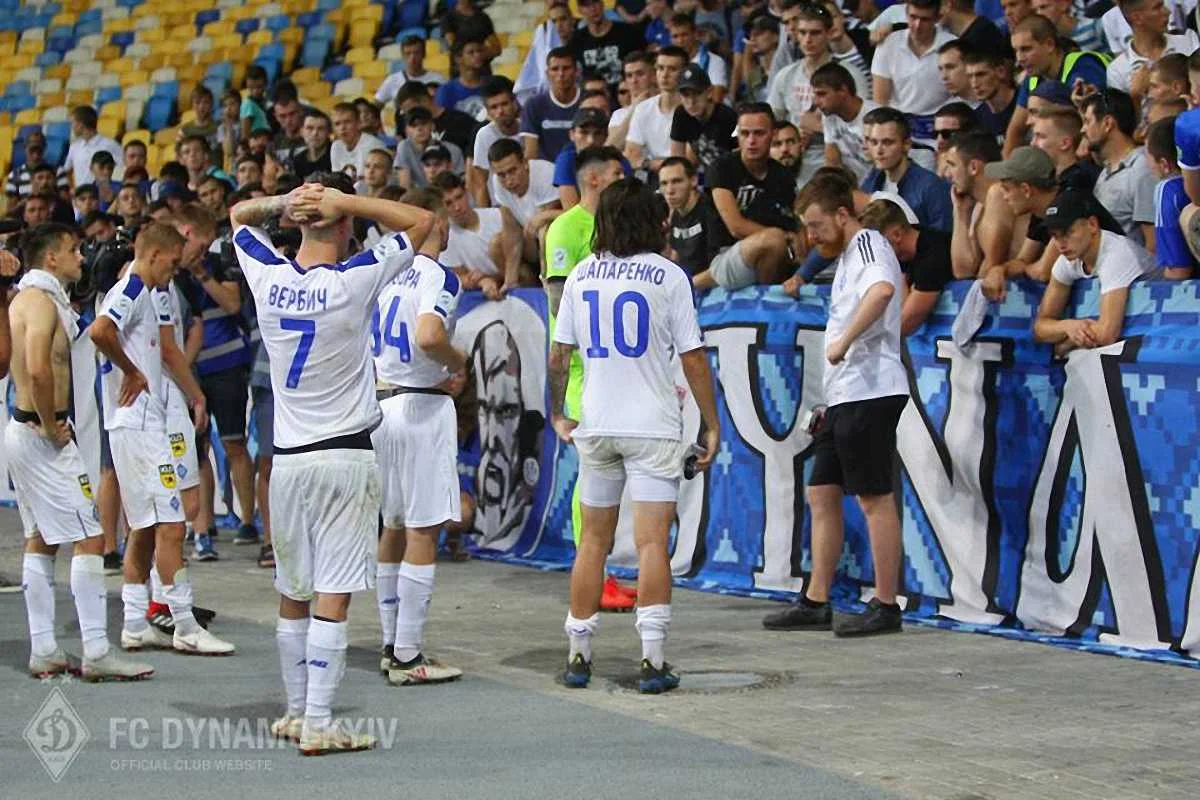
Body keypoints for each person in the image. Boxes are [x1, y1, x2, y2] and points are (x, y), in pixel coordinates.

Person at [229, 175, 434, 754]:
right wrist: (346, 201)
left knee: (293, 589)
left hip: (287, 460)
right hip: (343, 456)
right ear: (344, 224)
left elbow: (239, 216)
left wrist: (283, 203)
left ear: (298, 222)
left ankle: (297, 711)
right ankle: (320, 721)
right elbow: (423, 222)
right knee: (333, 592)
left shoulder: (268, 276)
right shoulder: (353, 279)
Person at [549, 177, 720, 692]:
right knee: (651, 544)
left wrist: (558, 412)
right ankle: (652, 660)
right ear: (654, 220)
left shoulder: (581, 274)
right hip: (652, 426)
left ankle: (578, 655)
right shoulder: (669, 276)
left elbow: (560, 354)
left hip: (597, 422)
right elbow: (693, 357)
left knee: (592, 543)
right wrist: (711, 422)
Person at [762, 176, 908, 637]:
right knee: (821, 492)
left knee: (874, 497)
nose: (811, 237)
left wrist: (844, 341)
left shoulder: (867, 245)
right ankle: (816, 599)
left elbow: (882, 291)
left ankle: (886, 604)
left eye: (816, 225)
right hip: (845, 393)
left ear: (843, 215)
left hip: (871, 389)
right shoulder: (846, 255)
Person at [7, 224, 154, 681]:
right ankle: (96, 650)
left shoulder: (28, 298)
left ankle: (44, 650)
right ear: (51, 258)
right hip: (40, 433)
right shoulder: (39, 301)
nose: (81, 257)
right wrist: (52, 425)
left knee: (42, 538)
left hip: (23, 429)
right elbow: (37, 368)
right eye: (73, 250)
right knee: (90, 536)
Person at [89, 223, 236, 657]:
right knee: (171, 526)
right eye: (172, 263)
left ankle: (135, 623)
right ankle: (186, 626)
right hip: (140, 425)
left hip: (135, 424)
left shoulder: (144, 291)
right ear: (154, 255)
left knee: (146, 528)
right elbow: (100, 331)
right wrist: (132, 371)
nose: (174, 271)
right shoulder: (133, 289)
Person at [371, 186, 467, 686]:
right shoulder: (438, 275)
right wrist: (457, 362)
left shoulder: (384, 273)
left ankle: (392, 642)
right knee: (423, 529)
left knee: (392, 526)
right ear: (437, 222)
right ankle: (408, 655)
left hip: (380, 404)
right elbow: (430, 336)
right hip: (421, 406)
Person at [1033, 190, 1155, 354]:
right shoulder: (1067, 259)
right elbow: (1040, 328)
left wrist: (1066, 344)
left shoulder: (1117, 254)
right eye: (1055, 236)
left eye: (1068, 233)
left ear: (1092, 224)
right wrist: (1067, 326)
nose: (1061, 244)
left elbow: (1107, 334)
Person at [692, 103, 798, 291]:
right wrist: (784, 237)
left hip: (769, 258)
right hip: (725, 256)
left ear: (773, 135)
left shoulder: (783, 176)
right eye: (744, 133)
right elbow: (736, 227)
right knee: (774, 239)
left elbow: (792, 222)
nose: (751, 141)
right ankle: (694, 284)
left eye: (759, 133)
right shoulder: (721, 168)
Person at [768, 0, 871, 186]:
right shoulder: (785, 76)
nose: (808, 39)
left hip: (846, 161)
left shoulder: (850, 75)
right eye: (803, 33)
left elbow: (867, 125)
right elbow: (772, 121)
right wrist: (791, 135)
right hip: (795, 161)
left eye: (815, 33)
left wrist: (819, 127)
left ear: (829, 33)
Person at [1003, 14, 1109, 157]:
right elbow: (1015, 129)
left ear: (1049, 45)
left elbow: (1098, 118)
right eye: (1016, 51)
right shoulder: (1032, 79)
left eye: (1026, 49)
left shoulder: (1083, 67)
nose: (1019, 59)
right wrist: (1007, 168)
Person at [859, 198, 954, 333]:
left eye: (875, 246)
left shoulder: (933, 256)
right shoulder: (901, 256)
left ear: (897, 234)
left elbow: (903, 325)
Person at [872, 0, 955, 152]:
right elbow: (880, 100)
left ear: (937, 18)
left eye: (925, 19)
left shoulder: (951, 46)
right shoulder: (889, 44)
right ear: (905, 14)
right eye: (913, 17)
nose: (917, 25)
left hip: (939, 130)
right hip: (898, 127)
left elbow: (960, 92)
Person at [1080, 89, 1157, 247]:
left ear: (1107, 123)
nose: (1082, 130)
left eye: (1087, 122)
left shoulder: (1141, 169)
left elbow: (1153, 245)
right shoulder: (1106, 171)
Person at [943, 130, 1025, 277]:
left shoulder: (999, 193)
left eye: (952, 165)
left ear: (974, 167)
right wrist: (960, 211)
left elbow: (992, 264)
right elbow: (962, 271)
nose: (947, 174)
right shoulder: (978, 205)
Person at [861, 107, 954, 232]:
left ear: (906, 144)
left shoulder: (932, 188)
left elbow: (943, 237)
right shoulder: (873, 179)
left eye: (887, 142)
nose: (879, 150)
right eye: (874, 142)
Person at [434, 171, 523, 297]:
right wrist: (483, 281)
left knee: (497, 243)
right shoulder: (446, 238)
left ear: (467, 193)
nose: (457, 207)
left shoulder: (498, 215)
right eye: (448, 203)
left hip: (521, 281)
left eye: (459, 197)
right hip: (488, 293)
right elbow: (459, 277)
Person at [487, 138, 560, 262]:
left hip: (555, 237)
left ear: (525, 163)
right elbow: (510, 229)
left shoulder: (545, 173)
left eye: (512, 171)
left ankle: (547, 274)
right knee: (497, 243)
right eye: (501, 175)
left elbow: (548, 224)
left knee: (544, 232)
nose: (508, 181)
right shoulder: (497, 182)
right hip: (529, 238)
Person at [661, 156, 733, 274]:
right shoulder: (675, 215)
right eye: (664, 183)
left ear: (694, 180)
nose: (669, 190)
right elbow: (676, 257)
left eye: (677, 181)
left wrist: (687, 283)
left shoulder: (712, 209)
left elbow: (720, 268)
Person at [625, 46, 689, 178]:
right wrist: (649, 164)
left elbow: (688, 159)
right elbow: (631, 155)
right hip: (654, 176)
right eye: (660, 68)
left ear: (685, 72)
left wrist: (649, 163)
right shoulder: (643, 109)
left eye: (672, 69)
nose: (664, 75)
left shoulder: (692, 109)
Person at [1144, 117, 1194, 278]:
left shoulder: (1168, 190)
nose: (1147, 164)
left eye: (1147, 156)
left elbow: (1179, 270)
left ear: (1164, 164)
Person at [813, 62, 877, 183]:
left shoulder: (876, 118)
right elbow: (832, 163)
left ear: (843, 90)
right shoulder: (829, 115)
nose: (816, 102)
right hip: (849, 184)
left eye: (822, 94)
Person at [670, 63, 738, 177]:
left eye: (697, 94)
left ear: (709, 92)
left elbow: (741, 154)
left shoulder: (727, 117)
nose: (691, 102)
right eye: (686, 95)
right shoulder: (681, 114)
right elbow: (677, 159)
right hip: (707, 176)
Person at [521, 47, 582, 163]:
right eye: (555, 69)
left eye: (566, 68)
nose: (561, 74)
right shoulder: (534, 105)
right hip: (546, 171)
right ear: (547, 73)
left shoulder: (588, 101)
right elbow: (531, 153)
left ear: (576, 71)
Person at [568, 0, 645, 88]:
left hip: (625, 92)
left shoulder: (628, 33)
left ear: (602, 4)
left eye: (595, 2)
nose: (593, 8)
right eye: (586, 5)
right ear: (580, 10)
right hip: (593, 94)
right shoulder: (576, 40)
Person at [472, 77, 523, 207]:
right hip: (501, 206)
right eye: (494, 107)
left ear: (514, 103)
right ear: (488, 111)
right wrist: (483, 216)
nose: (500, 111)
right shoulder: (484, 135)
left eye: (504, 104)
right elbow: (481, 184)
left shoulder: (529, 129)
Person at [668, 12, 729, 103]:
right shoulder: (667, 63)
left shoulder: (714, 61)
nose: (680, 41)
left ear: (695, 34)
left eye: (684, 35)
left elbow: (716, 98)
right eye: (675, 36)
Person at [376, 35, 449, 104]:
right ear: (403, 56)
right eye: (408, 53)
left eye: (416, 53)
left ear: (424, 54)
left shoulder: (439, 80)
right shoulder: (392, 80)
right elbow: (375, 105)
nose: (412, 58)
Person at [66, 105, 123, 187]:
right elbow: (67, 170)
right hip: (81, 193)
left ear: (80, 124)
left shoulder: (110, 145)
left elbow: (122, 168)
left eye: (72, 123)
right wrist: (72, 188)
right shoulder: (74, 147)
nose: (71, 127)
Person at [966, 48, 1017, 139]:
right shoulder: (976, 119)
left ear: (1001, 72)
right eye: (970, 77)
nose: (974, 84)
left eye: (981, 75)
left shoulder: (1026, 102)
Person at [436, 37, 490, 121]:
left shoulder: (491, 84)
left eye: (479, 51)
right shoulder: (446, 91)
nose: (477, 55)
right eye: (471, 52)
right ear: (458, 58)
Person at [331, 102, 387, 183]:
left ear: (358, 123)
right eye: (337, 124)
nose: (342, 128)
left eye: (347, 122)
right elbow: (336, 180)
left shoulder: (373, 145)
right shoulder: (336, 146)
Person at [6, 131, 69, 201]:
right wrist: (32, 198)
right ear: (24, 148)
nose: (35, 155)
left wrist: (48, 192)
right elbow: (12, 206)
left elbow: (66, 202)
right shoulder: (14, 175)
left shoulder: (58, 171)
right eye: (32, 150)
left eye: (39, 151)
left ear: (45, 148)